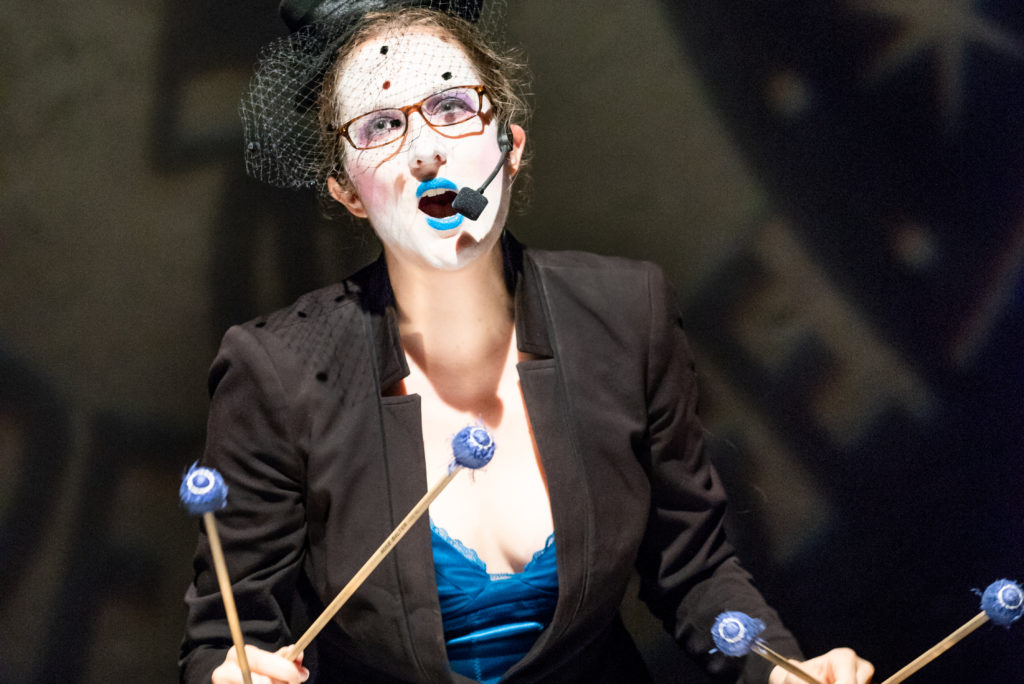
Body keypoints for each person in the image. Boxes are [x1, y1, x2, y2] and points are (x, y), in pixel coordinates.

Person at [180, 2, 875, 683]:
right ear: (347, 190)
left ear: (510, 145)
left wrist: (781, 670)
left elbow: (691, 568)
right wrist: (233, 672)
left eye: (452, 107)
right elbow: (230, 635)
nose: (424, 149)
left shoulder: (628, 315)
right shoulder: (276, 370)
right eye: (382, 126)